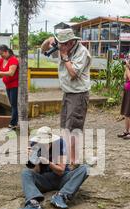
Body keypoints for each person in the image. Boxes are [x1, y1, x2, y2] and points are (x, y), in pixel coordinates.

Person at [41, 29, 92, 166]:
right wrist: (49, 40)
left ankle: (74, 161)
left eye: (62, 44)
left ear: (70, 43)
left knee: (74, 128)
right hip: (68, 92)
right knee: (65, 127)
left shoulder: (82, 52)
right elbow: (43, 51)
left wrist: (65, 56)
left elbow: (73, 73)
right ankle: (68, 157)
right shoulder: (62, 47)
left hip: (79, 94)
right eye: (59, 43)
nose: (60, 46)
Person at [17, 126, 89, 209]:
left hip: (61, 179)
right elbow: (37, 171)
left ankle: (61, 196)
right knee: (26, 172)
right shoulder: (34, 145)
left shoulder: (59, 143)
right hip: (44, 179)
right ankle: (33, 204)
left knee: (85, 168)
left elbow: (61, 171)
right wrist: (32, 158)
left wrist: (48, 162)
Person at [0, 45, 19, 129]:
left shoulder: (13, 60)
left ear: (6, 51)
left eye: (2, 53)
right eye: (0, 54)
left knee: (14, 104)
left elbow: (11, 73)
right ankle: (15, 122)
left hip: (15, 85)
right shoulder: (2, 59)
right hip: (8, 85)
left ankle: (13, 123)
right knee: (12, 104)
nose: (1, 55)